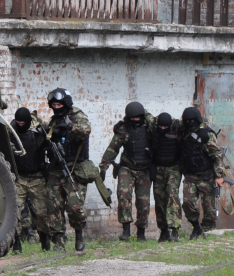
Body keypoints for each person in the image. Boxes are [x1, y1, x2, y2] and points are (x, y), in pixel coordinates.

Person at [42, 87, 92, 252]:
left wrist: (69, 128)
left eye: (59, 104)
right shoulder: (52, 122)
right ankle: (58, 241)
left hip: (75, 169)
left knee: (75, 207)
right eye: (54, 105)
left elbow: (85, 130)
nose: (57, 107)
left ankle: (79, 234)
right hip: (56, 169)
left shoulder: (77, 116)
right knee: (53, 206)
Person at [100, 101, 154, 242]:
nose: (135, 120)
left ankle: (141, 232)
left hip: (144, 169)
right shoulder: (124, 129)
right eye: (132, 118)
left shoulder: (149, 128)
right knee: (123, 195)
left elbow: (159, 125)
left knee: (143, 202)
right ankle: (126, 231)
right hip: (127, 168)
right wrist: (103, 167)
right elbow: (113, 148)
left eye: (138, 117)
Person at [179, 106, 226, 240]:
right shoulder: (183, 132)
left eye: (193, 120)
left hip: (207, 176)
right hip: (190, 176)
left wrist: (219, 176)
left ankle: (208, 233)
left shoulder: (207, 134)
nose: (190, 123)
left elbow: (217, 155)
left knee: (209, 210)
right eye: (188, 121)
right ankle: (197, 228)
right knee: (187, 203)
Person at [11, 107, 49, 253]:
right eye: (18, 122)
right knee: (15, 211)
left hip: (37, 177)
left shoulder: (37, 131)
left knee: (42, 212)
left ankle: (45, 240)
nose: (20, 124)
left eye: (23, 122)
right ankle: (16, 243)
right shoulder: (11, 131)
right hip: (19, 178)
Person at [151, 112, 182, 242]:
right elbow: (141, 113)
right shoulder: (153, 124)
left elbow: (198, 121)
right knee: (159, 199)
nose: (163, 129)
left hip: (173, 168)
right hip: (158, 168)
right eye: (161, 127)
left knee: (172, 195)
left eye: (165, 127)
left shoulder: (177, 127)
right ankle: (164, 231)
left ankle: (174, 230)